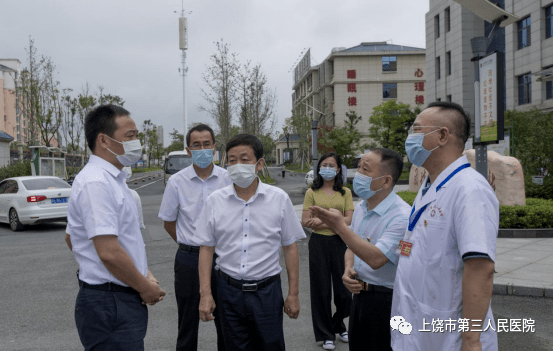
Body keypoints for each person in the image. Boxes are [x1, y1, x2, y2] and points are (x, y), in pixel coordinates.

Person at [394, 101, 498, 350]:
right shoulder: (433, 185)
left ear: (442, 135)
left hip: (448, 336)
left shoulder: (469, 189)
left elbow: (480, 266)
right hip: (418, 327)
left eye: (417, 131)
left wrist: (471, 340)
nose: (410, 139)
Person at [67, 104, 166, 351]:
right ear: (104, 140)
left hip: (117, 296)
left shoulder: (114, 180)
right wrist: (145, 288)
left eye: (136, 136)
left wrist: (144, 272)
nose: (136, 142)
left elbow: (73, 238)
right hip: (109, 302)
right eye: (129, 136)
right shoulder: (96, 183)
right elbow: (109, 252)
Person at [196, 134, 305, 351]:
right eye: (232, 160)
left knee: (271, 346)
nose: (237, 165)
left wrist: (293, 294)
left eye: (245, 159)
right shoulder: (215, 201)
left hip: (267, 292)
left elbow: (290, 247)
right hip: (228, 291)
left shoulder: (279, 199)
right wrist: (206, 294)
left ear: (259, 164)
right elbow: (206, 249)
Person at [308, 149, 410, 351]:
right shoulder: (363, 207)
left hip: (386, 301)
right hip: (360, 297)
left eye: (365, 169)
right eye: (359, 167)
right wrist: (348, 269)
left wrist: (339, 227)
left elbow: (376, 258)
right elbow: (352, 246)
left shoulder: (401, 216)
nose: (358, 175)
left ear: (386, 181)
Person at [158, 124, 231, 351]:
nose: (202, 149)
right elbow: (169, 222)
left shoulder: (228, 179)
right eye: (196, 145)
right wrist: (188, 243)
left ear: (215, 147)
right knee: (187, 324)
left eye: (206, 144)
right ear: (189, 151)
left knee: (228, 323)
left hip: (223, 259)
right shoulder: (177, 182)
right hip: (189, 259)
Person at [301, 152, 354, 350]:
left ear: (338, 169)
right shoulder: (311, 192)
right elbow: (306, 222)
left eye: (332, 165)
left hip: (341, 243)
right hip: (318, 244)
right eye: (324, 164)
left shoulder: (345, 192)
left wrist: (322, 221)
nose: (328, 168)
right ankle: (326, 334)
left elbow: (349, 220)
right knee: (321, 290)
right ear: (318, 168)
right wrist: (336, 219)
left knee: (344, 291)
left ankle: (337, 323)